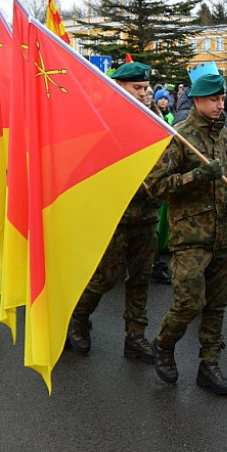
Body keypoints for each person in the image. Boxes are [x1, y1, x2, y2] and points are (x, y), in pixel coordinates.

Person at [145, 71, 227, 395]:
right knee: (189, 302)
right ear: (198, 101)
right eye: (214, 100)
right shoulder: (180, 136)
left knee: (218, 304)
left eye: (222, 99)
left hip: (224, 236)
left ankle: (210, 364)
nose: (221, 105)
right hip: (190, 238)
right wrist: (196, 177)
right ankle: (163, 343)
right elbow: (156, 185)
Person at [68, 62, 162, 360]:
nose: (145, 94)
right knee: (106, 277)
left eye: (146, 88)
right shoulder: (103, 121)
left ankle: (135, 336)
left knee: (141, 277)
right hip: (114, 215)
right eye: (137, 88)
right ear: (119, 88)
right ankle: (78, 318)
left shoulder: (155, 118)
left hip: (146, 214)